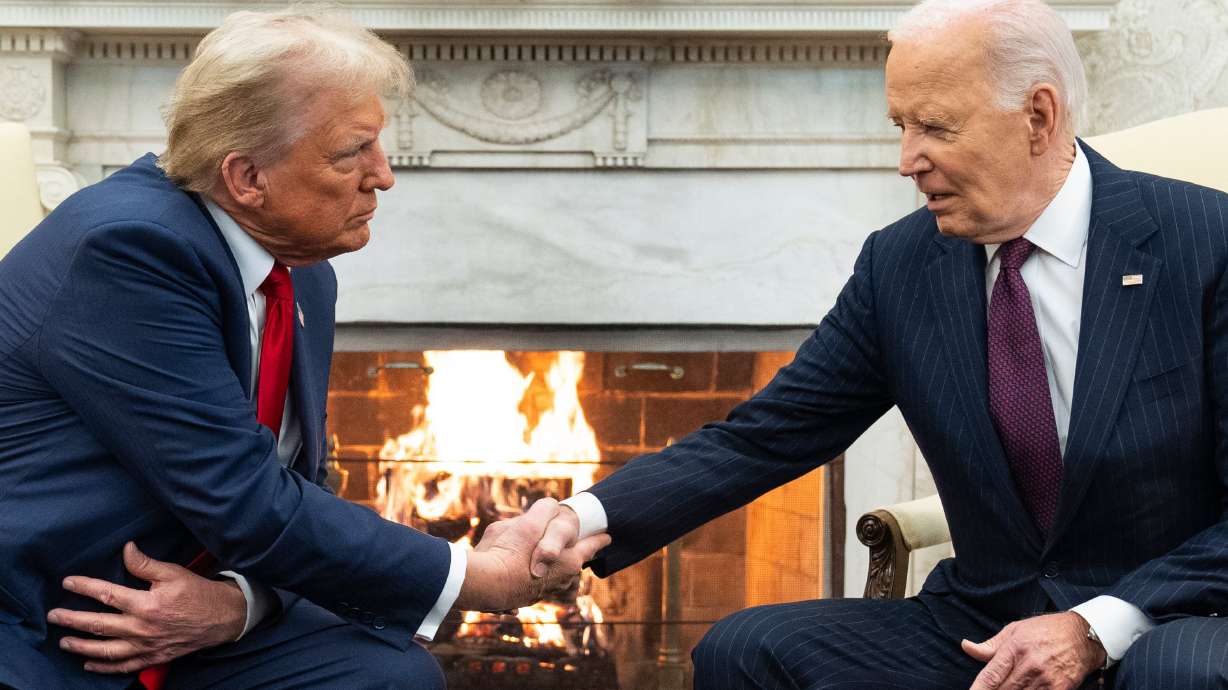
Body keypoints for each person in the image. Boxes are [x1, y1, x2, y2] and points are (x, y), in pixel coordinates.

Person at [534, 1, 1228, 688]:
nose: (906, 162)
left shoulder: (1206, 242)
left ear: (1038, 118)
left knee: (1178, 674)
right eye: (902, 125)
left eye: (936, 128)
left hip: (1171, 615)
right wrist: (578, 518)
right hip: (986, 620)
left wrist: (1093, 628)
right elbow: (764, 436)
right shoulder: (901, 266)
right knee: (743, 650)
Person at [0, 8, 607, 689]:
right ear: (247, 178)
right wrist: (481, 577)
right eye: (352, 152)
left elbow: (299, 484)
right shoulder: (128, 251)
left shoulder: (301, 271)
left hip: (191, 608)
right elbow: (246, 499)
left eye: (377, 144)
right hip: (54, 621)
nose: (383, 175)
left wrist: (240, 605)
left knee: (390, 676)